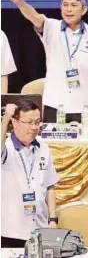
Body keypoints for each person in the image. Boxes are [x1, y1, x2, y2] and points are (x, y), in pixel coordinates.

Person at [8, 0, 88, 123]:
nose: (69, 9)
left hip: (83, 106)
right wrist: (20, 2)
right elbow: (34, 16)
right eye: (65, 5)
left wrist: (85, 76)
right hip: (54, 105)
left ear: (84, 9)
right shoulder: (52, 27)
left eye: (74, 5)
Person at [1, 100, 59, 248]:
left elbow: (50, 186)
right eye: (29, 122)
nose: (34, 127)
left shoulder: (43, 148)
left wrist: (53, 219)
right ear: (15, 122)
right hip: (11, 232)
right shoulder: (7, 149)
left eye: (37, 122)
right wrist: (5, 119)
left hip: (40, 229)